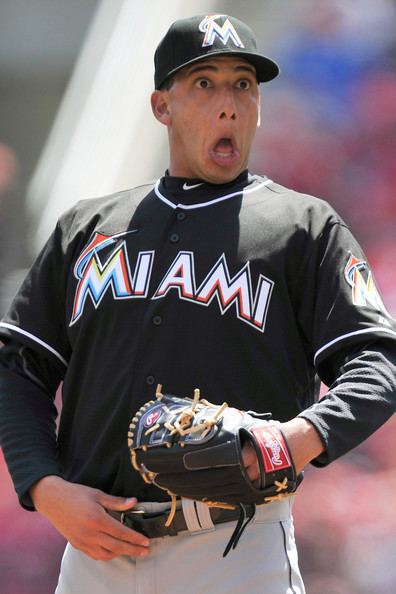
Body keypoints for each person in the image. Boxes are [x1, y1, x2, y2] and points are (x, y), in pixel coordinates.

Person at [0, 13, 395, 594]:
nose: (229, 103)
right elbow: (18, 368)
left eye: (244, 84)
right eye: (204, 83)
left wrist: (297, 439)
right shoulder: (87, 227)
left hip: (236, 547)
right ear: (162, 107)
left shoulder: (303, 228)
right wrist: (44, 487)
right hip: (94, 551)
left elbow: (377, 367)